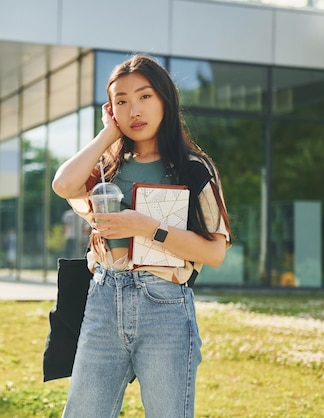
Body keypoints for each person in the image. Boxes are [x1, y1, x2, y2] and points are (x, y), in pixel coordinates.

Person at [52, 54, 231, 417]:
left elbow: (214, 252)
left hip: (165, 304)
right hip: (103, 298)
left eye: (145, 96)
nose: (134, 109)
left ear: (165, 100)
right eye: (121, 101)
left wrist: (146, 228)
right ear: (111, 110)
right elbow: (63, 184)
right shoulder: (106, 167)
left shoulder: (193, 169)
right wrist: (107, 134)